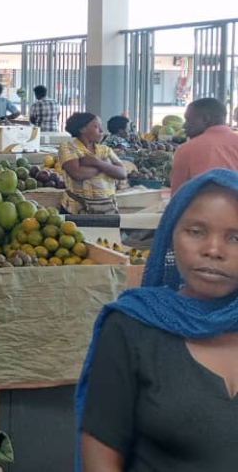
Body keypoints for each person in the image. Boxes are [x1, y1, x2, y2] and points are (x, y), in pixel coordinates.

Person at [77, 169, 238, 472]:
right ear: (169, 236)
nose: (213, 250)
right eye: (196, 231)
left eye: (235, 237)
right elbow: (100, 459)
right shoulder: (132, 328)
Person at [58, 112, 128, 214]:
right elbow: (77, 174)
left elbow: (122, 173)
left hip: (107, 209)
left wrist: (96, 162)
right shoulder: (68, 147)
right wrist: (107, 166)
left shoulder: (105, 149)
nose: (101, 131)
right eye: (96, 127)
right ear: (82, 129)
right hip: (76, 209)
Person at [170, 97, 238, 192]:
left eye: (188, 120)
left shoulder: (186, 150)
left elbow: (178, 197)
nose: (184, 126)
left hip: (203, 206)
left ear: (206, 119)